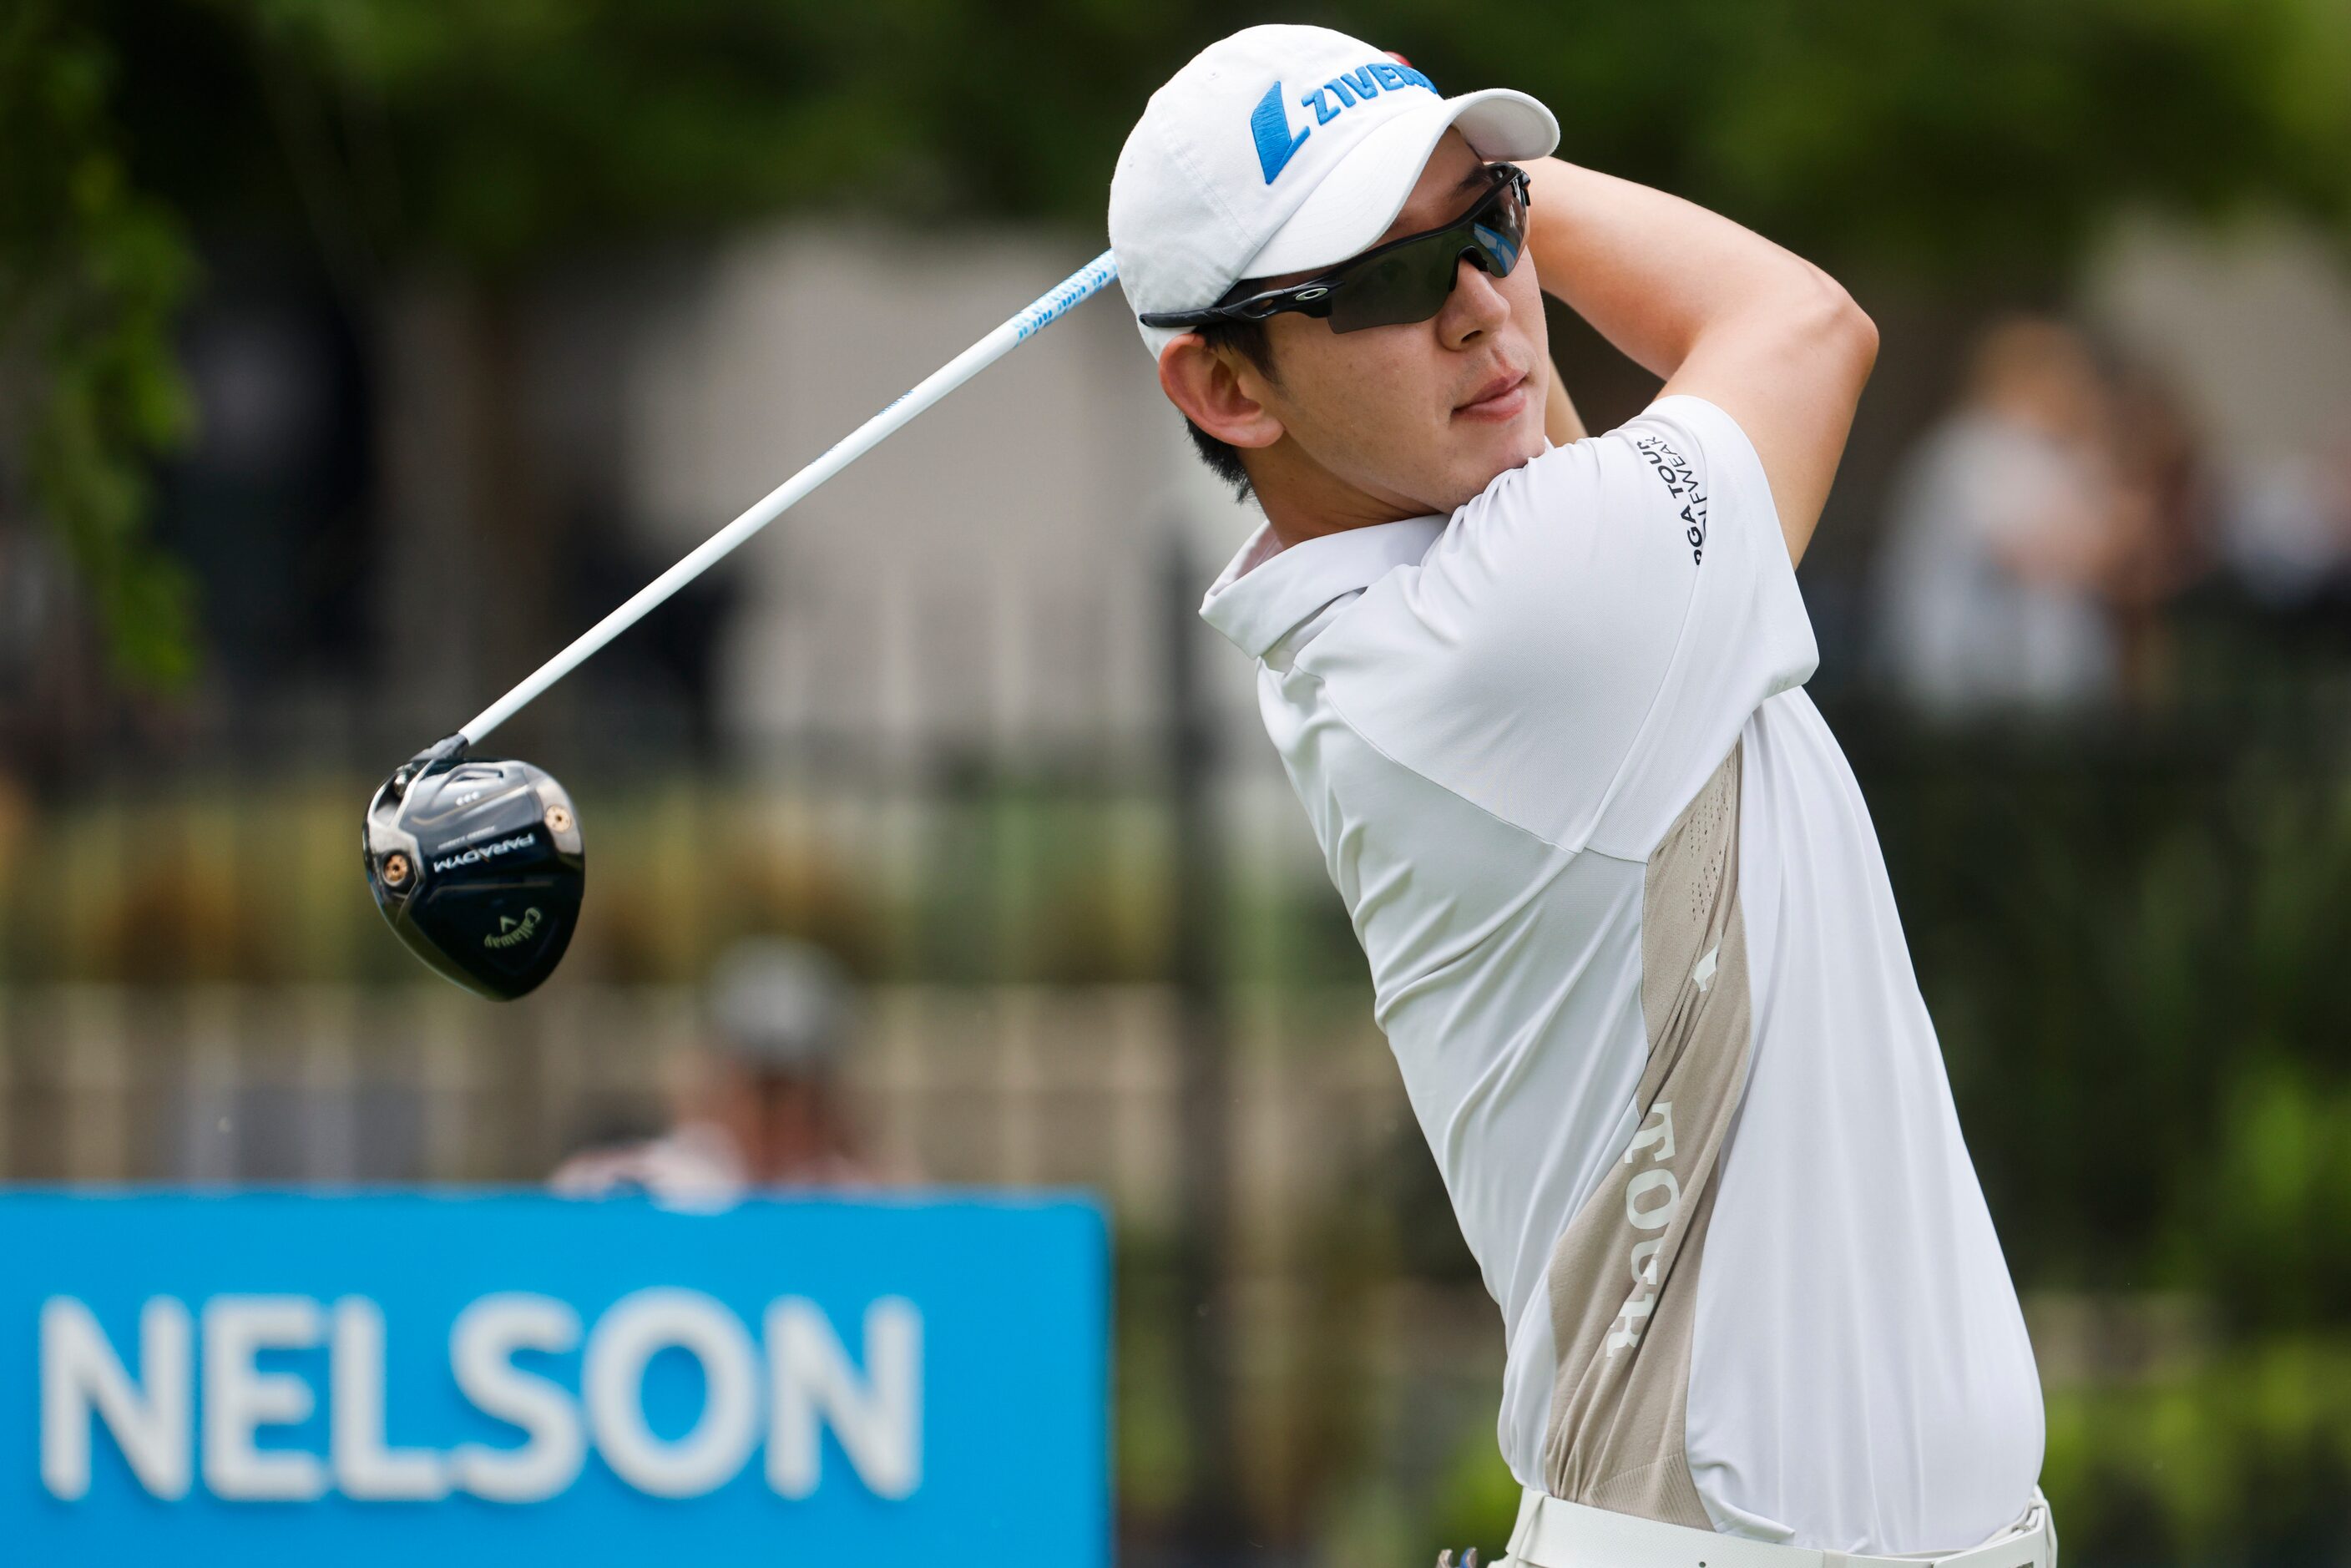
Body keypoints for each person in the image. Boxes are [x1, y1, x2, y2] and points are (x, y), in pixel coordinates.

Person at [1110, 25, 2050, 1566]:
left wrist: (1415, 176)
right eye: (1395, 278)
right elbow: (1802, 322)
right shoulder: (1519, 624)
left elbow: (1567, 409)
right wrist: (1503, 172)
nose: (1484, 303)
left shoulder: (1459, 572)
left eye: (1493, 227)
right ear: (1223, 384)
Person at [1873, 316, 2146, 716]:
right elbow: (2031, 553)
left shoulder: (2036, 450)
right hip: (1972, 689)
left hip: (2019, 692)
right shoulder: (1973, 449)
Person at [551, 937, 875, 1203]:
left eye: (806, 1093)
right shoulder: (660, 1181)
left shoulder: (855, 1194)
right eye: (767, 1091)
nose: (788, 1115)